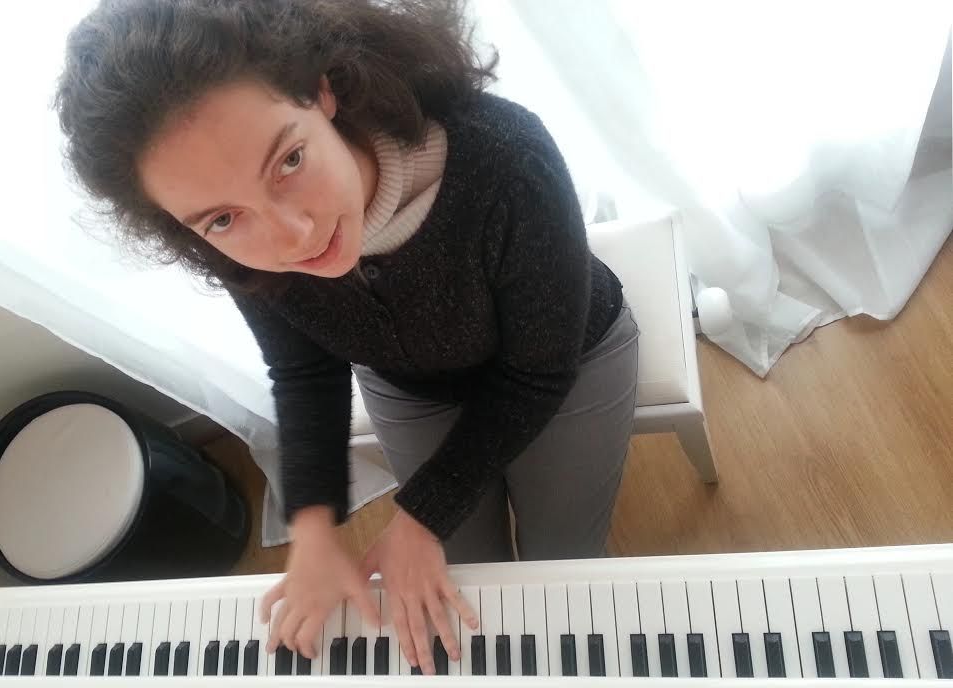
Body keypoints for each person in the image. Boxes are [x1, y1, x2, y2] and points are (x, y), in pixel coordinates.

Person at [55, 0, 639, 675]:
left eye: (289, 160)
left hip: (567, 364)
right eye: (221, 218)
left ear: (321, 89)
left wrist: (420, 515)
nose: (292, 237)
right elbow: (305, 369)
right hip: (414, 385)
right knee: (465, 571)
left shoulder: (506, 157)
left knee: (561, 560)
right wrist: (312, 529)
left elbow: (538, 370)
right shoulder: (235, 248)